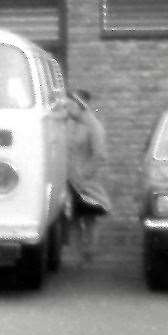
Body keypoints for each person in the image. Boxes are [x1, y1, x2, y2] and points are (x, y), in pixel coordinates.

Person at [64, 88, 111, 265]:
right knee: (73, 218)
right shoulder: (70, 125)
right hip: (70, 180)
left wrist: (84, 176)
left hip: (87, 182)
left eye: (72, 105)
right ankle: (77, 256)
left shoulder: (94, 127)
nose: (68, 108)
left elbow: (100, 156)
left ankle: (89, 252)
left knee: (89, 217)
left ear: (80, 105)